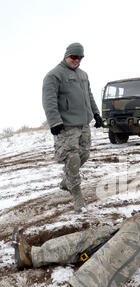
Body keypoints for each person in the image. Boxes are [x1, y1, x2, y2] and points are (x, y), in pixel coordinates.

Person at [42, 42, 103, 212]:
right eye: (73, 57)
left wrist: (96, 114)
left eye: (80, 57)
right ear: (66, 55)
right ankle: (78, 197)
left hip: (83, 124)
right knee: (73, 159)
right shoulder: (54, 75)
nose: (76, 60)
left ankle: (66, 181)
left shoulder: (83, 75)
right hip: (66, 126)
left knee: (84, 154)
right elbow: (49, 100)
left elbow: (89, 96)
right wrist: (54, 122)